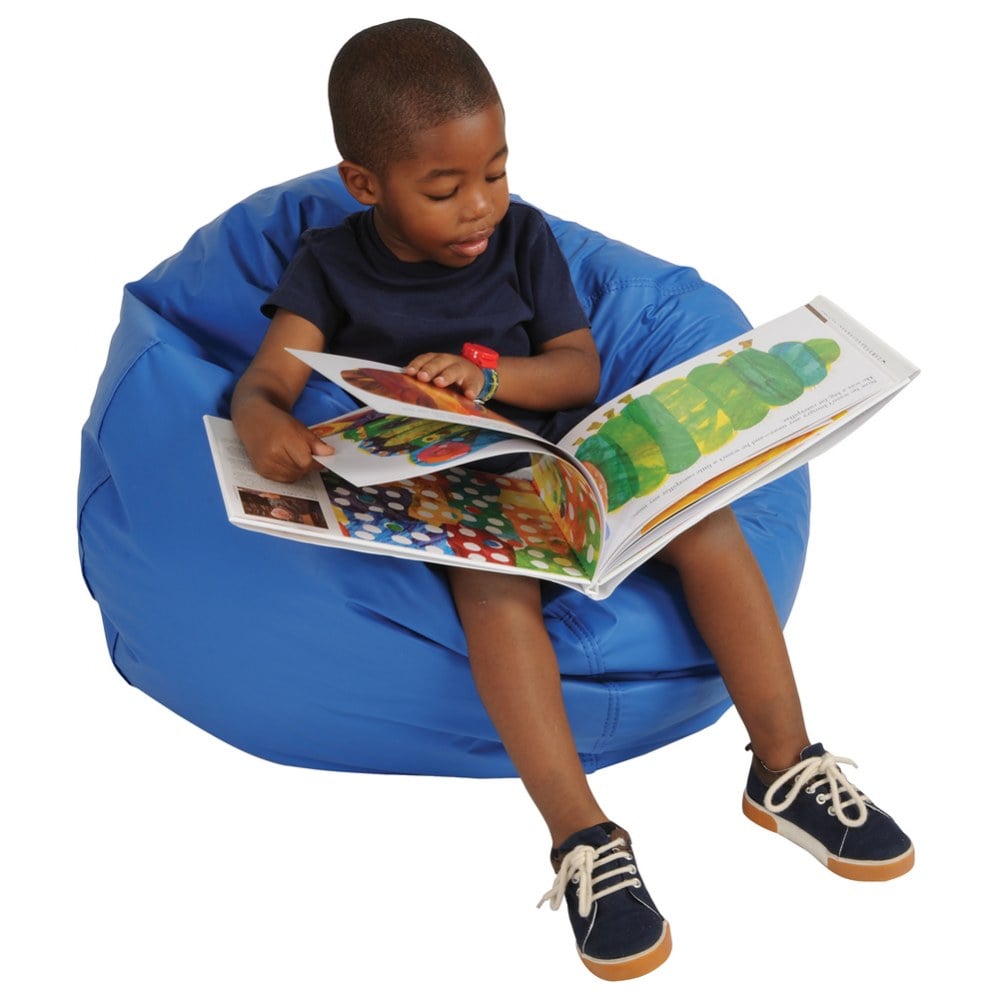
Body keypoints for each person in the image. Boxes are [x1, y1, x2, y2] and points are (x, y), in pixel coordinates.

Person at [231, 18, 913, 982]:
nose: (479, 208)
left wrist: (484, 374)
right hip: (446, 489)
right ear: (365, 185)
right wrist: (268, 425)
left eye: (496, 173)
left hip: (563, 455)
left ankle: (785, 765)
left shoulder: (523, 239)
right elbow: (265, 382)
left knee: (709, 523)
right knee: (494, 592)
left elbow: (576, 370)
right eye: (445, 189)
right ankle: (584, 839)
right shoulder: (329, 264)